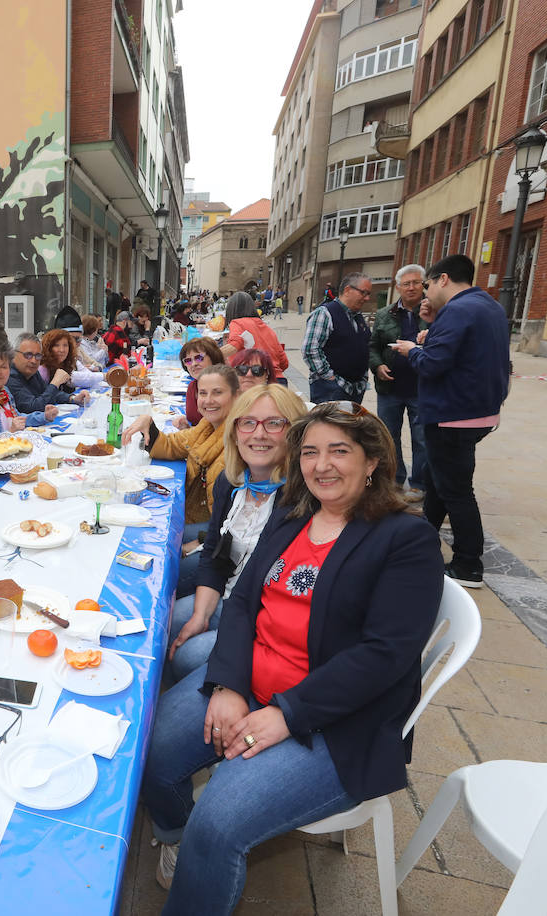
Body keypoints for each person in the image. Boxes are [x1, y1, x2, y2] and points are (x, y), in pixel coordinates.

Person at [141, 401, 444, 910]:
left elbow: (383, 656)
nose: (321, 465)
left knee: (218, 825)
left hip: (333, 722)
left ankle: (200, 853)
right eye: (310, 452)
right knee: (148, 753)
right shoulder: (293, 515)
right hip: (252, 681)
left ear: (372, 461)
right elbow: (242, 604)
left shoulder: (405, 538)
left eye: (339, 451)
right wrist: (230, 685)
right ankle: (176, 838)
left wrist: (286, 713)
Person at [166, 385, 308, 682]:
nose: (259, 434)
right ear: (235, 431)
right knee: (165, 624)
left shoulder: (301, 501)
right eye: (248, 422)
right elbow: (215, 553)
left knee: (185, 656)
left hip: (261, 618)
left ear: (294, 433)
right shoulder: (232, 484)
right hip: (227, 596)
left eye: (274, 423)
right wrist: (201, 615)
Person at [391, 254, 509, 589]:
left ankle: (468, 565)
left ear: (443, 279)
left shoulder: (461, 309)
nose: (425, 292)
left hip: (453, 414)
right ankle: (423, 541)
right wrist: (433, 326)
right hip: (475, 411)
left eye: (426, 284)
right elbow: (461, 351)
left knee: (456, 491)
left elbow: (432, 364)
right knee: (438, 480)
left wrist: (410, 350)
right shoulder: (486, 305)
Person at [124, 364, 240, 544]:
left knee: (149, 538)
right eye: (203, 393)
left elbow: (239, 519)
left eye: (217, 392)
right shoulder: (206, 427)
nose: (208, 400)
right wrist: (148, 424)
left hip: (222, 538)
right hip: (208, 524)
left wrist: (197, 543)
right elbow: (172, 445)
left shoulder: (241, 440)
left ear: (236, 396)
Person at [370, 264, 429, 502]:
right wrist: (377, 366)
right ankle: (394, 480)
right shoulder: (385, 314)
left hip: (421, 387)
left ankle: (419, 484)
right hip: (389, 387)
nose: (412, 288)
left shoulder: (434, 312)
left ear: (424, 285)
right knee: (388, 436)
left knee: (421, 437)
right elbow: (373, 346)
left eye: (416, 283)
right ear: (398, 287)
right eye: (406, 284)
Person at [302, 272, 373, 405]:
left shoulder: (358, 317)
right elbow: (310, 349)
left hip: (355, 390)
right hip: (330, 391)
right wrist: (330, 378)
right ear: (347, 290)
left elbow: (365, 346)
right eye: (364, 293)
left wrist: (363, 378)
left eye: (369, 294)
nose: (367, 298)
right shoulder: (325, 313)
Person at [7, 332, 92, 412]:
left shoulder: (32, 372)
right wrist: (55, 383)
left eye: (38, 356)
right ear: (14, 354)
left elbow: (49, 394)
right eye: (28, 355)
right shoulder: (9, 377)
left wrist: (73, 398)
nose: (33, 360)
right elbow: (33, 407)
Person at [222, 291, 289, 384]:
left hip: (256, 382)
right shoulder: (268, 329)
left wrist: (210, 354)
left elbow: (235, 344)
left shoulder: (237, 323)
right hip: (278, 382)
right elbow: (284, 362)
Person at [172, 337, 226, 430]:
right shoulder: (192, 387)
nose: (193, 364)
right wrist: (186, 428)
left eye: (199, 358)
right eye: (188, 361)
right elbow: (198, 427)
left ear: (213, 358)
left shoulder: (227, 387)